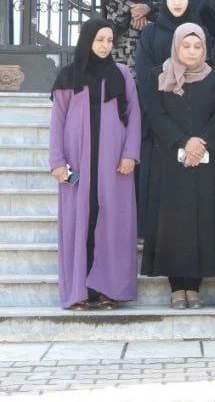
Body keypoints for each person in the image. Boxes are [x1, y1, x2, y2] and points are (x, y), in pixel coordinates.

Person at [49, 19, 141, 310]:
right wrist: (57, 161)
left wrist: (130, 154)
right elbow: (57, 122)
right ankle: (78, 292)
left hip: (114, 165)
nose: (105, 46)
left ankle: (108, 290)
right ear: (88, 40)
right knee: (80, 223)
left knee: (112, 222)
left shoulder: (122, 74)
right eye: (99, 39)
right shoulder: (68, 75)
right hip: (76, 164)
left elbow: (134, 116)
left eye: (109, 40)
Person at [141, 23, 215, 309]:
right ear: (176, 46)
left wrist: (200, 142)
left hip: (206, 162)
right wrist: (183, 142)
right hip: (169, 162)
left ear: (205, 48)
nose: (191, 51)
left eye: (197, 46)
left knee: (201, 223)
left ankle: (194, 286)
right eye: (186, 46)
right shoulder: (159, 76)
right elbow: (156, 115)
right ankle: (176, 287)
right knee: (172, 225)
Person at [134, 0, 207, 233]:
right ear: (165, 0)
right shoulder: (151, 33)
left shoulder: (199, 31)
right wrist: (159, 108)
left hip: (191, 118)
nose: (177, 2)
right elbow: (144, 76)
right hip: (159, 117)